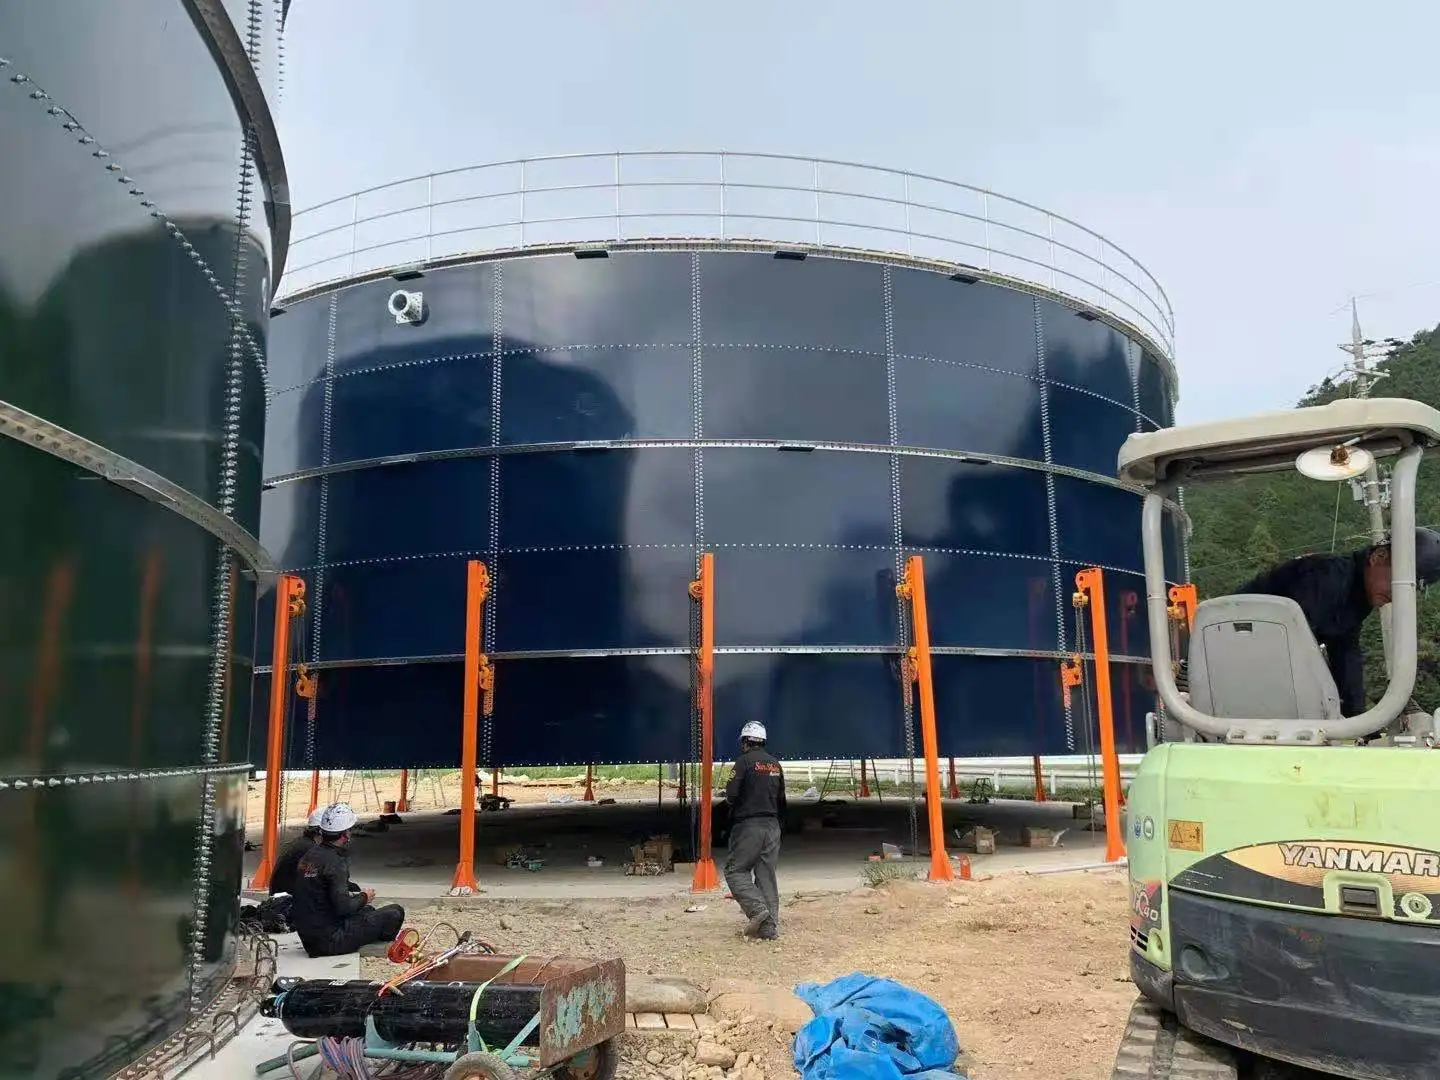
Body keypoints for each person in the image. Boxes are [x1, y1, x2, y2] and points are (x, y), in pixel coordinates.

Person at [1235, 527, 1440, 717]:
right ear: (1378, 557)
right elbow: (1295, 647)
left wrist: (1358, 720)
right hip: (1238, 655)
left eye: (1409, 589)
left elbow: (1346, 657)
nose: (1396, 595)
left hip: (1256, 670)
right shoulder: (1327, 577)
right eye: (1397, 583)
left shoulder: (1356, 595)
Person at [289, 803, 406, 957]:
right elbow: (343, 908)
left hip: (310, 939)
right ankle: (378, 946)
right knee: (395, 912)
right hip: (330, 941)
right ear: (345, 835)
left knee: (368, 911)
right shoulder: (335, 862)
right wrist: (364, 897)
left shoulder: (309, 856)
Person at [722, 721, 786, 941]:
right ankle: (769, 928)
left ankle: (757, 909)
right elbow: (781, 800)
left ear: (745, 742)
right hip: (772, 826)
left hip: (749, 826)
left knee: (735, 871)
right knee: (766, 875)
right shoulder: (775, 764)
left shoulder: (743, 762)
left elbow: (731, 795)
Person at [269, 807, 327, 897]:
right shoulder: (309, 849)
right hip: (287, 900)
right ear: (320, 831)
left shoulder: (302, 842)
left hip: (282, 895)